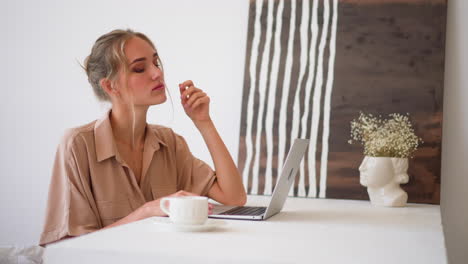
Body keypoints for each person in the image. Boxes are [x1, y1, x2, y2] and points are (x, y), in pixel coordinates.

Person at [39, 29, 247, 246]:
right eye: (139, 68)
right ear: (111, 86)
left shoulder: (170, 143)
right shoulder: (77, 145)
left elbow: (234, 197)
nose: (157, 73)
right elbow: (63, 249)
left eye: (156, 63)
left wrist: (204, 122)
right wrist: (148, 211)